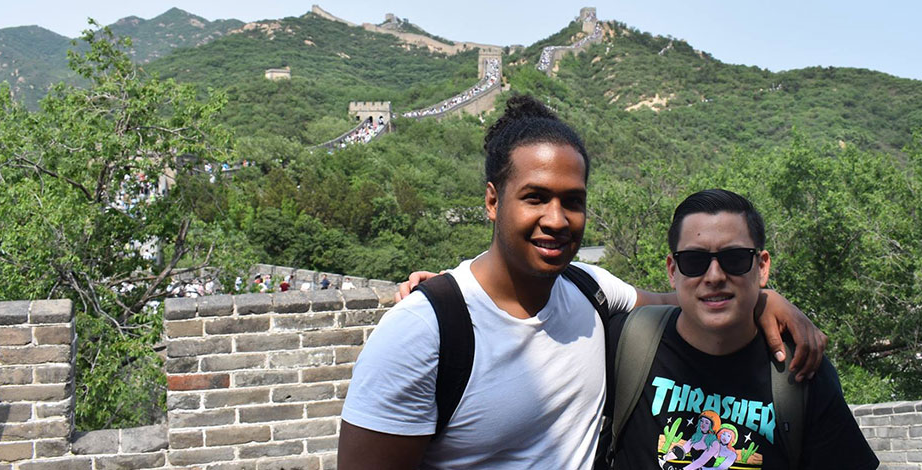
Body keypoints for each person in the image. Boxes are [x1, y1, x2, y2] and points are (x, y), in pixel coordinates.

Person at [337, 95, 825, 470]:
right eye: (535, 197)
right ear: (492, 201)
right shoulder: (422, 333)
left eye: (572, 200)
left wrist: (760, 299)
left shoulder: (590, 290)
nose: (557, 218)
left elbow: (687, 302)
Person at [613, 189, 877, 469]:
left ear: (762, 267)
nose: (714, 276)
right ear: (672, 270)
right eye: (694, 261)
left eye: (735, 259)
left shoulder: (802, 371)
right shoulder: (625, 344)